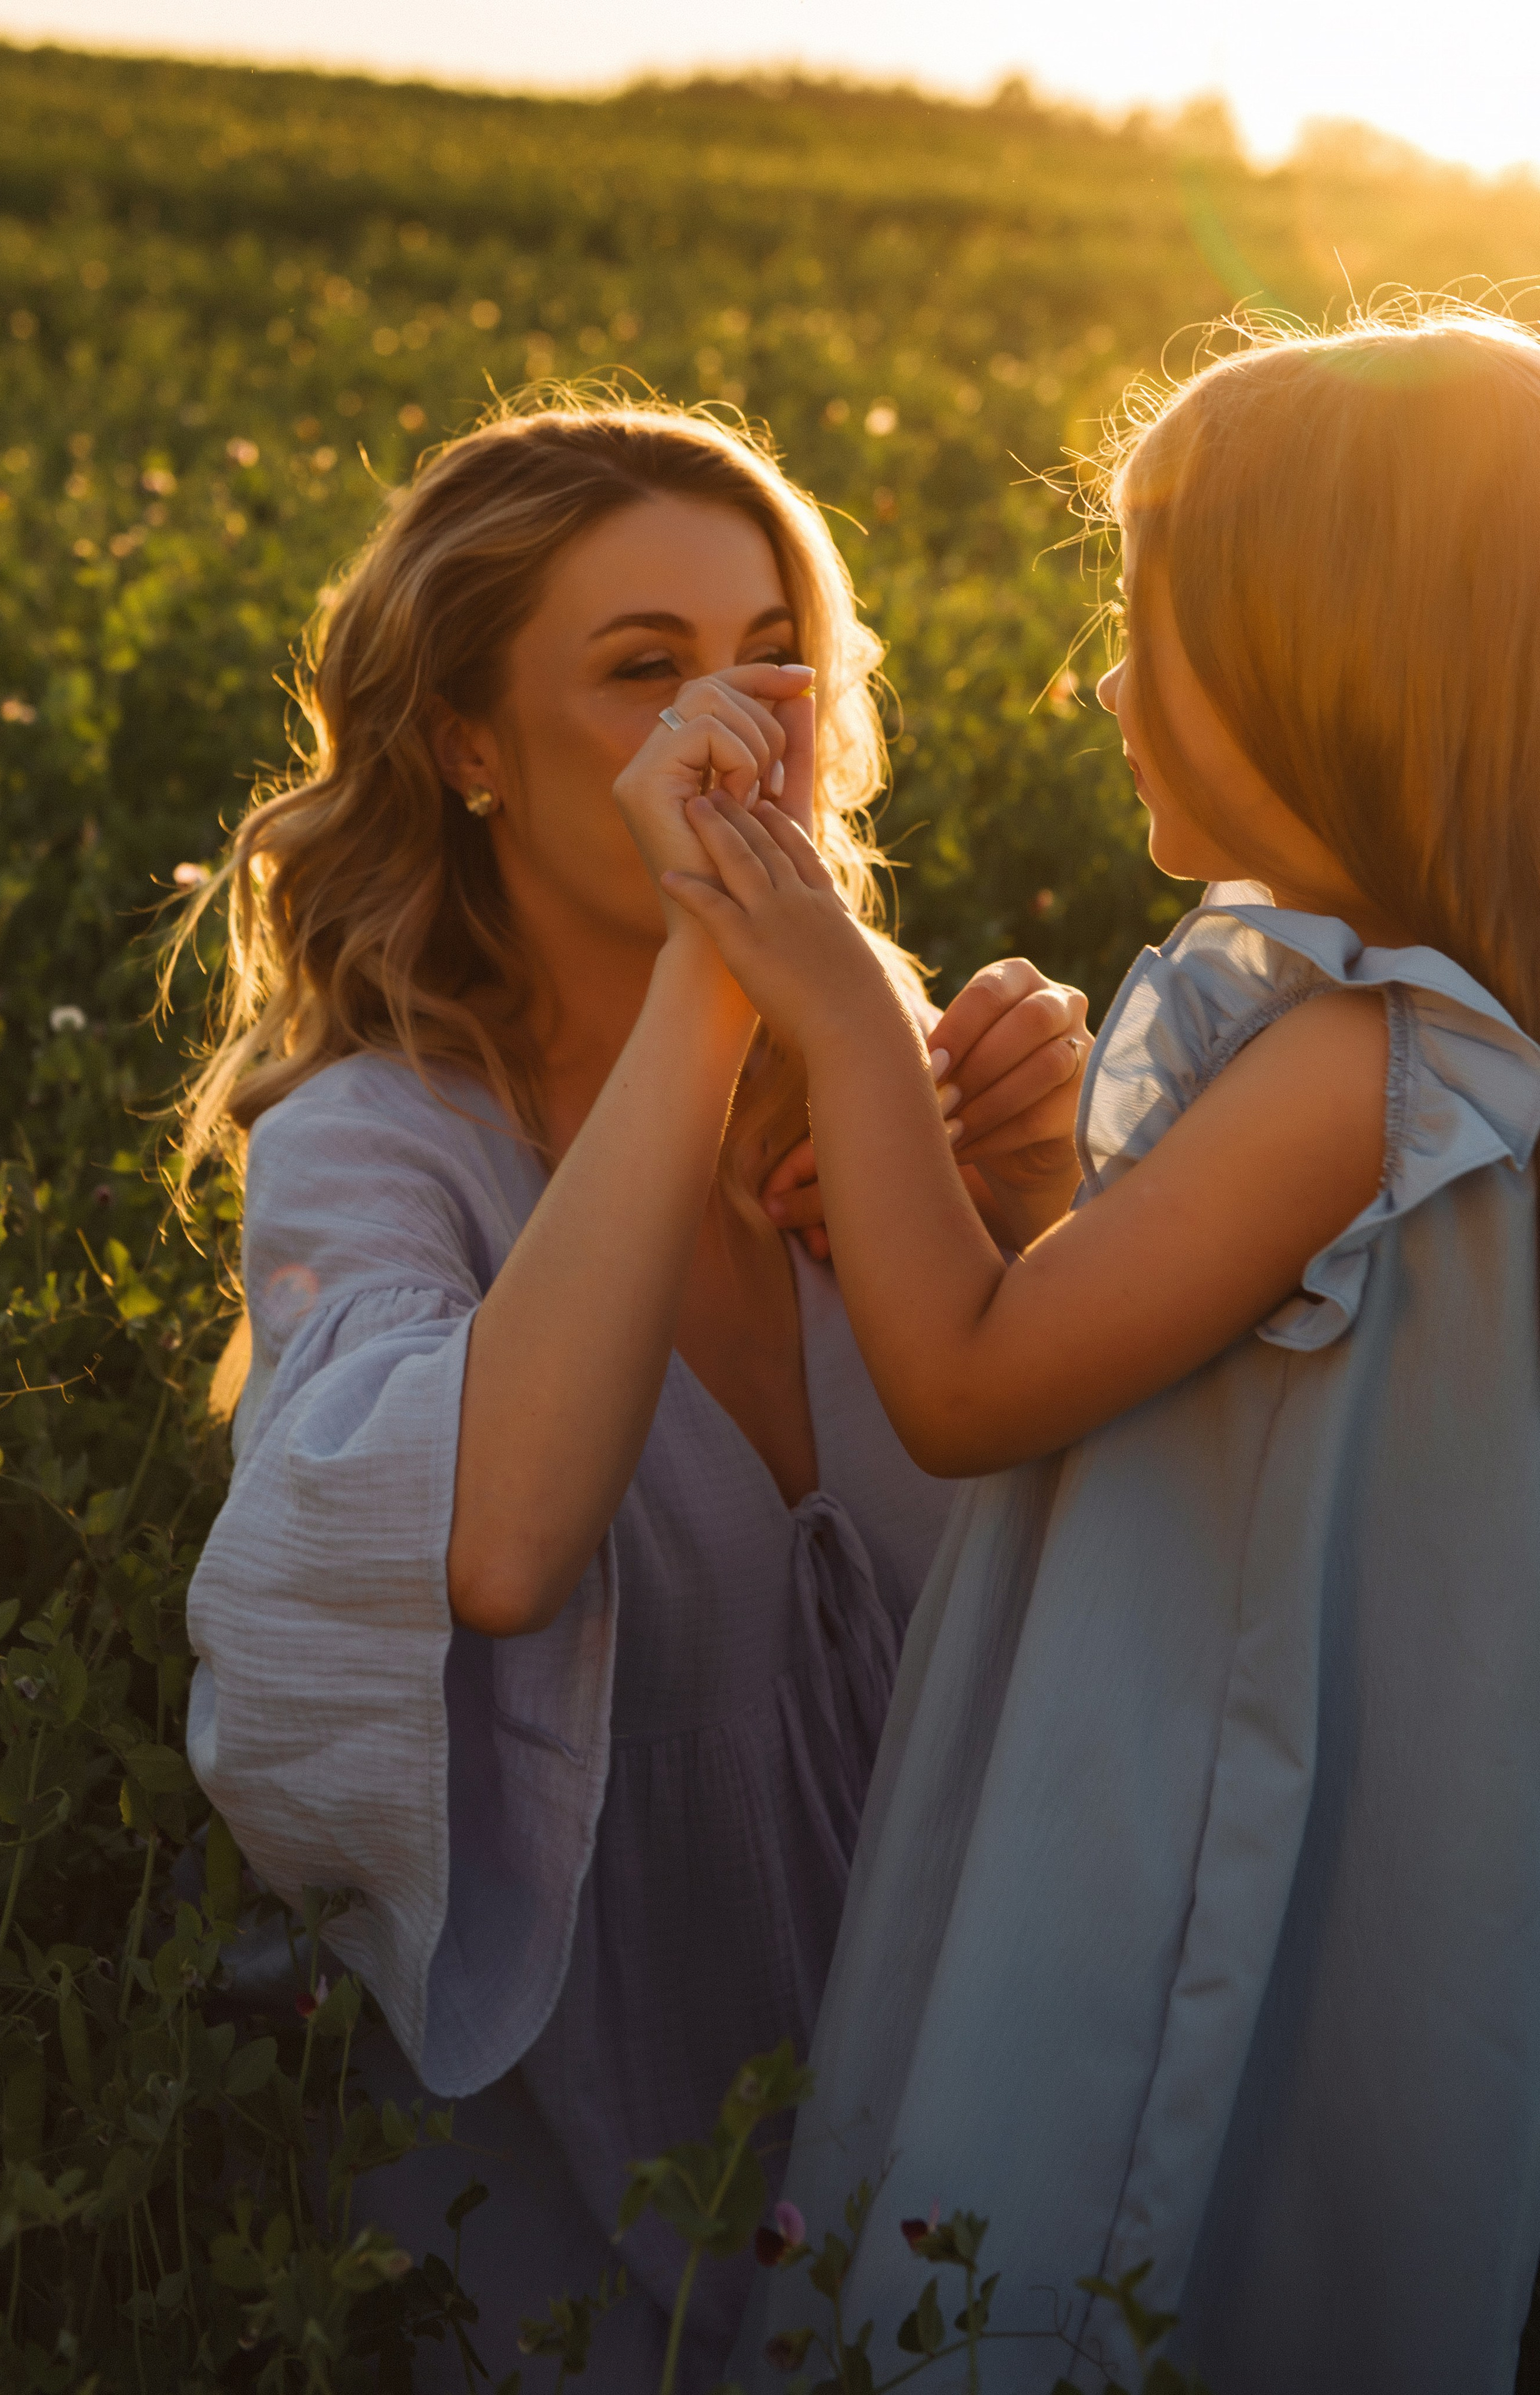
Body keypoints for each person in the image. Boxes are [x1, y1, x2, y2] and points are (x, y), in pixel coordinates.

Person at [656, 313, 1540, 2394]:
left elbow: (967, 1386)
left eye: (1159, 632)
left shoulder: (1363, 1058)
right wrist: (999, 1194)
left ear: (1335, 659)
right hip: (1271, 1769)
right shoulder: (1415, 1043)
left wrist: (842, 1017)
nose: (1109, 684)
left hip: (1178, 1812)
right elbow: (1207, 1386)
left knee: (1094, 2246)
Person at [174, 395, 1091, 2386]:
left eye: (772, 651)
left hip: (978, 2067)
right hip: (610, 2157)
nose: (735, 720)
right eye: (642, 670)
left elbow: (1114, 1580)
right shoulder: (375, 1143)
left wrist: (1045, 1210)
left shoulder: (873, 1068)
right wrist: (724, 967)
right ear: (468, 750)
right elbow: (494, 1543)